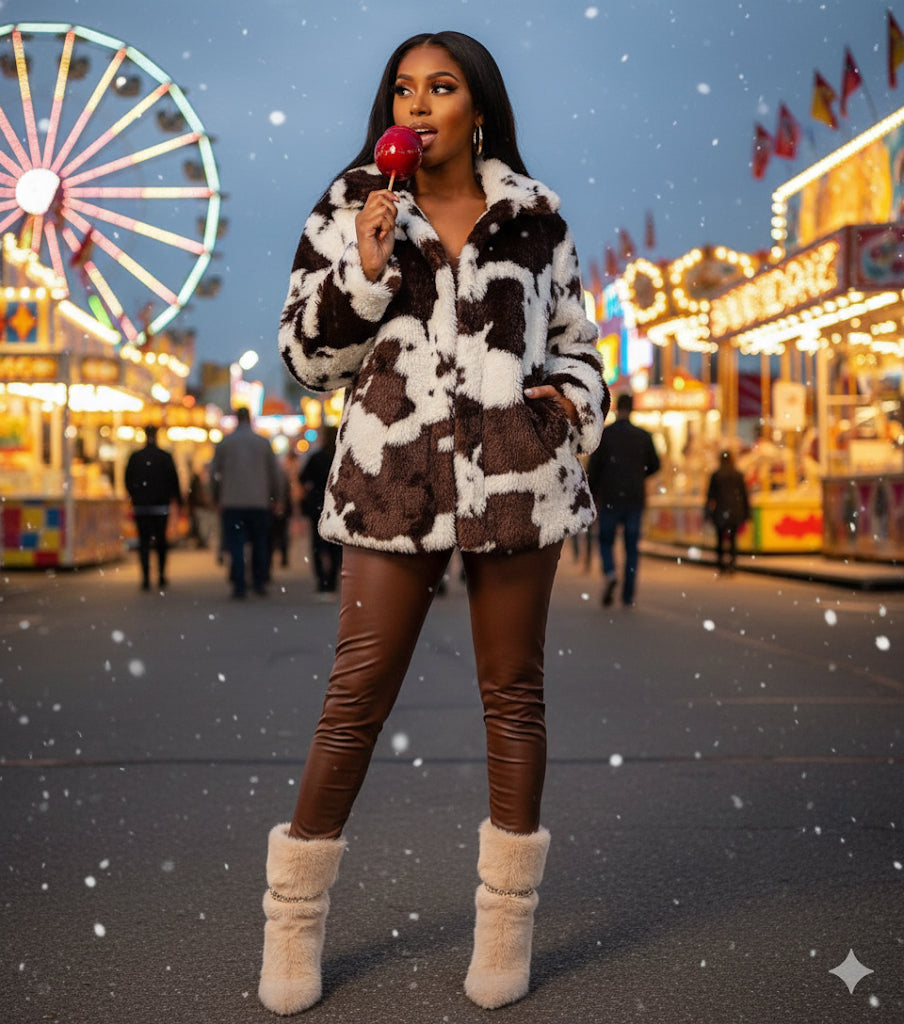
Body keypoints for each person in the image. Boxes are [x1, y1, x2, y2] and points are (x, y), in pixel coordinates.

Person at [260, 31, 609, 1016]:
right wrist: (364, 271)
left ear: (478, 109)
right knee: (355, 696)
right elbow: (303, 358)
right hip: (391, 483)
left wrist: (571, 408)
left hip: (513, 480)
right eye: (403, 89)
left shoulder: (535, 219)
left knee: (515, 696)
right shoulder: (347, 209)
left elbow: (581, 344)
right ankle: (292, 922)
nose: (419, 104)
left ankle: (505, 921)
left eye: (441, 87)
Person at [587, 392, 660, 608]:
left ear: (617, 408)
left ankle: (610, 572)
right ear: (633, 409)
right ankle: (628, 595)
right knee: (631, 546)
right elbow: (656, 465)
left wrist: (592, 493)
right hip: (634, 498)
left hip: (610, 498)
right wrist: (638, 475)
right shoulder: (643, 436)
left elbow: (594, 470)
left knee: (606, 541)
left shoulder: (605, 435)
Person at [209, 406, 280, 598]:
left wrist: (215, 497)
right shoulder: (263, 443)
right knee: (259, 543)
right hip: (259, 502)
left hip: (232, 502)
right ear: (250, 419)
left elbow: (214, 474)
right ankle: (258, 582)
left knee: (236, 544)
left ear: (235, 420)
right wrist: (276, 498)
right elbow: (275, 474)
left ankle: (239, 585)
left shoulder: (225, 443)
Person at [124, 425, 182, 591]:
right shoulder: (165, 457)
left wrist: (134, 496)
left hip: (141, 506)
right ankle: (161, 575)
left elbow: (127, 479)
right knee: (161, 541)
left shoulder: (135, 457)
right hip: (160, 505)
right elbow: (173, 480)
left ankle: (145, 577)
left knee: (143, 541)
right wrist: (177, 499)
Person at [298, 426, 342, 595]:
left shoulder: (316, 457)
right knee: (336, 545)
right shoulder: (341, 457)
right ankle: (332, 578)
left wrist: (312, 489)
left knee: (317, 542)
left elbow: (303, 477)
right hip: (337, 505)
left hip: (318, 504)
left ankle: (321, 578)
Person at [706, 449, 750, 573]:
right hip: (735, 510)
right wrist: (747, 512)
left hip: (720, 510)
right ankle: (732, 563)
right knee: (733, 538)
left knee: (720, 538)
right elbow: (744, 494)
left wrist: (708, 512)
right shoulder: (738, 474)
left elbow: (710, 495)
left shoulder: (716, 475)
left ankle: (720, 563)